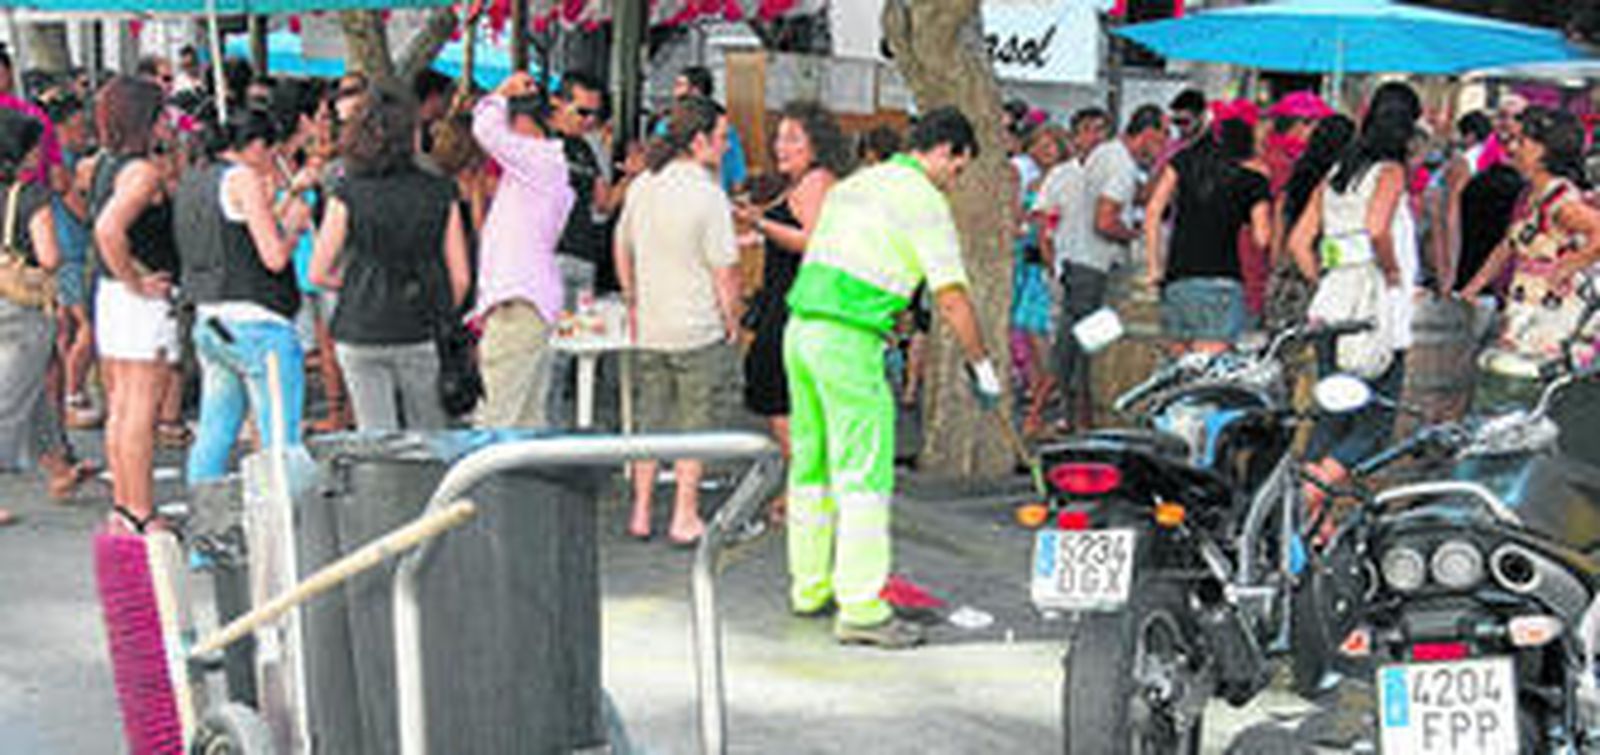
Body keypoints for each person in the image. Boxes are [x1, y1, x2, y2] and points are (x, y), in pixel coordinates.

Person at [783, 107, 1000, 648]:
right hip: (848, 343)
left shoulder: (860, 184)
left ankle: (809, 587)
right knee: (862, 477)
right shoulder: (923, 201)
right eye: (959, 168)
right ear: (948, 151)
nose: (956, 180)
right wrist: (982, 367)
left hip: (801, 331)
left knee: (810, 467)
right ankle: (860, 608)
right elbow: (951, 299)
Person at [614, 96, 743, 545]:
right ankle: (684, 515)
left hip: (651, 324)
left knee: (651, 418)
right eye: (722, 138)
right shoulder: (709, 196)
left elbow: (621, 245)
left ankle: (641, 511)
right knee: (694, 422)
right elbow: (725, 272)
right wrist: (733, 320)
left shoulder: (644, 184)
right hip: (696, 328)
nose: (726, 147)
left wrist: (633, 298)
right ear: (699, 140)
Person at [1289, 81, 1424, 509]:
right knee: (1375, 424)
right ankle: (1308, 496)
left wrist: (1325, 283)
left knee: (1332, 417)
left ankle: (1312, 526)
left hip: (1330, 307)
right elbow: (1378, 227)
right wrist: (1392, 273)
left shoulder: (1334, 175)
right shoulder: (1391, 171)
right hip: (1373, 309)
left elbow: (1298, 242)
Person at [308, 80, 471, 431]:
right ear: (412, 134)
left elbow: (318, 272)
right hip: (420, 325)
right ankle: (427, 488)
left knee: (375, 435)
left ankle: (379, 487)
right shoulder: (441, 191)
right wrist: (439, 307)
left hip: (360, 326)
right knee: (428, 435)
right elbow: (460, 276)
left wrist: (352, 283)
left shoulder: (347, 191)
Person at [177, 109, 314, 482]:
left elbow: (244, 236)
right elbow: (273, 256)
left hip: (210, 317)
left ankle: (206, 530)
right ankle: (283, 527)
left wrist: (283, 207)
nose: (273, 163)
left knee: (215, 432)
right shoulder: (242, 178)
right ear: (255, 146)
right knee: (279, 441)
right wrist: (296, 230)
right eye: (271, 153)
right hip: (257, 321)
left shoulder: (194, 178)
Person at [734, 101, 849, 527]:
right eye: (779, 136)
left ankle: (808, 495)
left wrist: (761, 226)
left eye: (793, 138)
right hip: (793, 305)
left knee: (781, 400)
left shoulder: (817, 181)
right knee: (793, 405)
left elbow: (814, 241)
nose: (781, 146)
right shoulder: (805, 182)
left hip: (795, 309)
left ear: (817, 145)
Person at [1462, 107, 1600, 409]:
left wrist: (1569, 266)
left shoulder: (1561, 201)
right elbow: (1508, 245)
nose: (1512, 148)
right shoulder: (1531, 195)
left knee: (1522, 402)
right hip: (1524, 312)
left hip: (1548, 321)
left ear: (1544, 151)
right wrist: (1473, 287)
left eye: (1522, 141)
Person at [90, 76, 181, 532]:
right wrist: (138, 282)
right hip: (138, 297)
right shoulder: (141, 173)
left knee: (123, 405)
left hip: (112, 295)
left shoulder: (105, 164)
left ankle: (126, 504)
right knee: (140, 406)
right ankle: (141, 508)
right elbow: (108, 230)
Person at [470, 72, 574, 429]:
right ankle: (520, 485)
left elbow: (484, 129)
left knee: (497, 414)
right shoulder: (545, 166)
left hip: (519, 300)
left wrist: (502, 92)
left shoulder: (536, 159)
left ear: (523, 123)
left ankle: (490, 486)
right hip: (530, 298)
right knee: (526, 415)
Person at [1054, 104, 1167, 430]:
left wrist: (1163, 169)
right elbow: (1105, 220)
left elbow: (1138, 197)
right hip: (1094, 265)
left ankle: (1073, 421)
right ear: (1147, 133)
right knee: (1086, 351)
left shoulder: (1106, 153)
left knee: (1073, 348)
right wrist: (1134, 236)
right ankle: (1073, 422)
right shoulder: (1120, 164)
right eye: (1160, 139)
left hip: (1078, 260)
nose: (1159, 147)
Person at [1144, 103, 1272, 352]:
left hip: (1178, 280)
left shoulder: (1182, 161)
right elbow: (1262, 238)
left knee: (1179, 371)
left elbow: (1153, 211)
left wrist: (1154, 266)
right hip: (1222, 282)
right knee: (1208, 375)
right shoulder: (1254, 179)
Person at [0, 109, 68, 526]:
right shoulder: (30, 197)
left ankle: (58, 467)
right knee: (8, 402)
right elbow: (50, 256)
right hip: (23, 311)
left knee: (32, 394)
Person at [1265, 114, 1356, 331]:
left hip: (1286, 283)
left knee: (1284, 355)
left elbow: (1277, 245)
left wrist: (1277, 272)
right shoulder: (1337, 189)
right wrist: (1320, 281)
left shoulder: (1295, 183)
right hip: (1320, 277)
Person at [673, 66, 747, 192]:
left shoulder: (724, 128)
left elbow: (738, 179)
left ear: (696, 91)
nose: (674, 91)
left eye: (679, 85)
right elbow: (738, 182)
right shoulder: (666, 124)